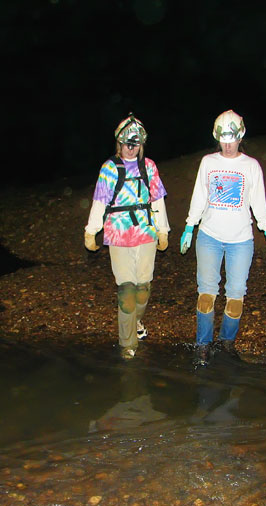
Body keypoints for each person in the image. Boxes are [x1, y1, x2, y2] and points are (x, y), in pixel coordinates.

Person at [180, 110, 266, 366]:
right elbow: (199, 196)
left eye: (232, 139)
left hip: (241, 239)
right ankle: (203, 345)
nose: (227, 145)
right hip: (209, 236)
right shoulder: (208, 162)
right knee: (206, 293)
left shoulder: (251, 166)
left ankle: (226, 342)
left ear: (240, 136)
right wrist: (190, 226)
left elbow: (259, 201)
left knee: (236, 295)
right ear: (217, 138)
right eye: (223, 139)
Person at [84, 113, 170, 359]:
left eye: (135, 145)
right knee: (127, 291)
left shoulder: (149, 167)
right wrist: (91, 231)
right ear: (119, 143)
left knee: (143, 289)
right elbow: (100, 201)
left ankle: (137, 323)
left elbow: (158, 200)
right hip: (118, 235)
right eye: (127, 144)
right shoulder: (109, 168)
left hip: (146, 234)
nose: (131, 149)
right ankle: (127, 344)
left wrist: (163, 230)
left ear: (141, 145)